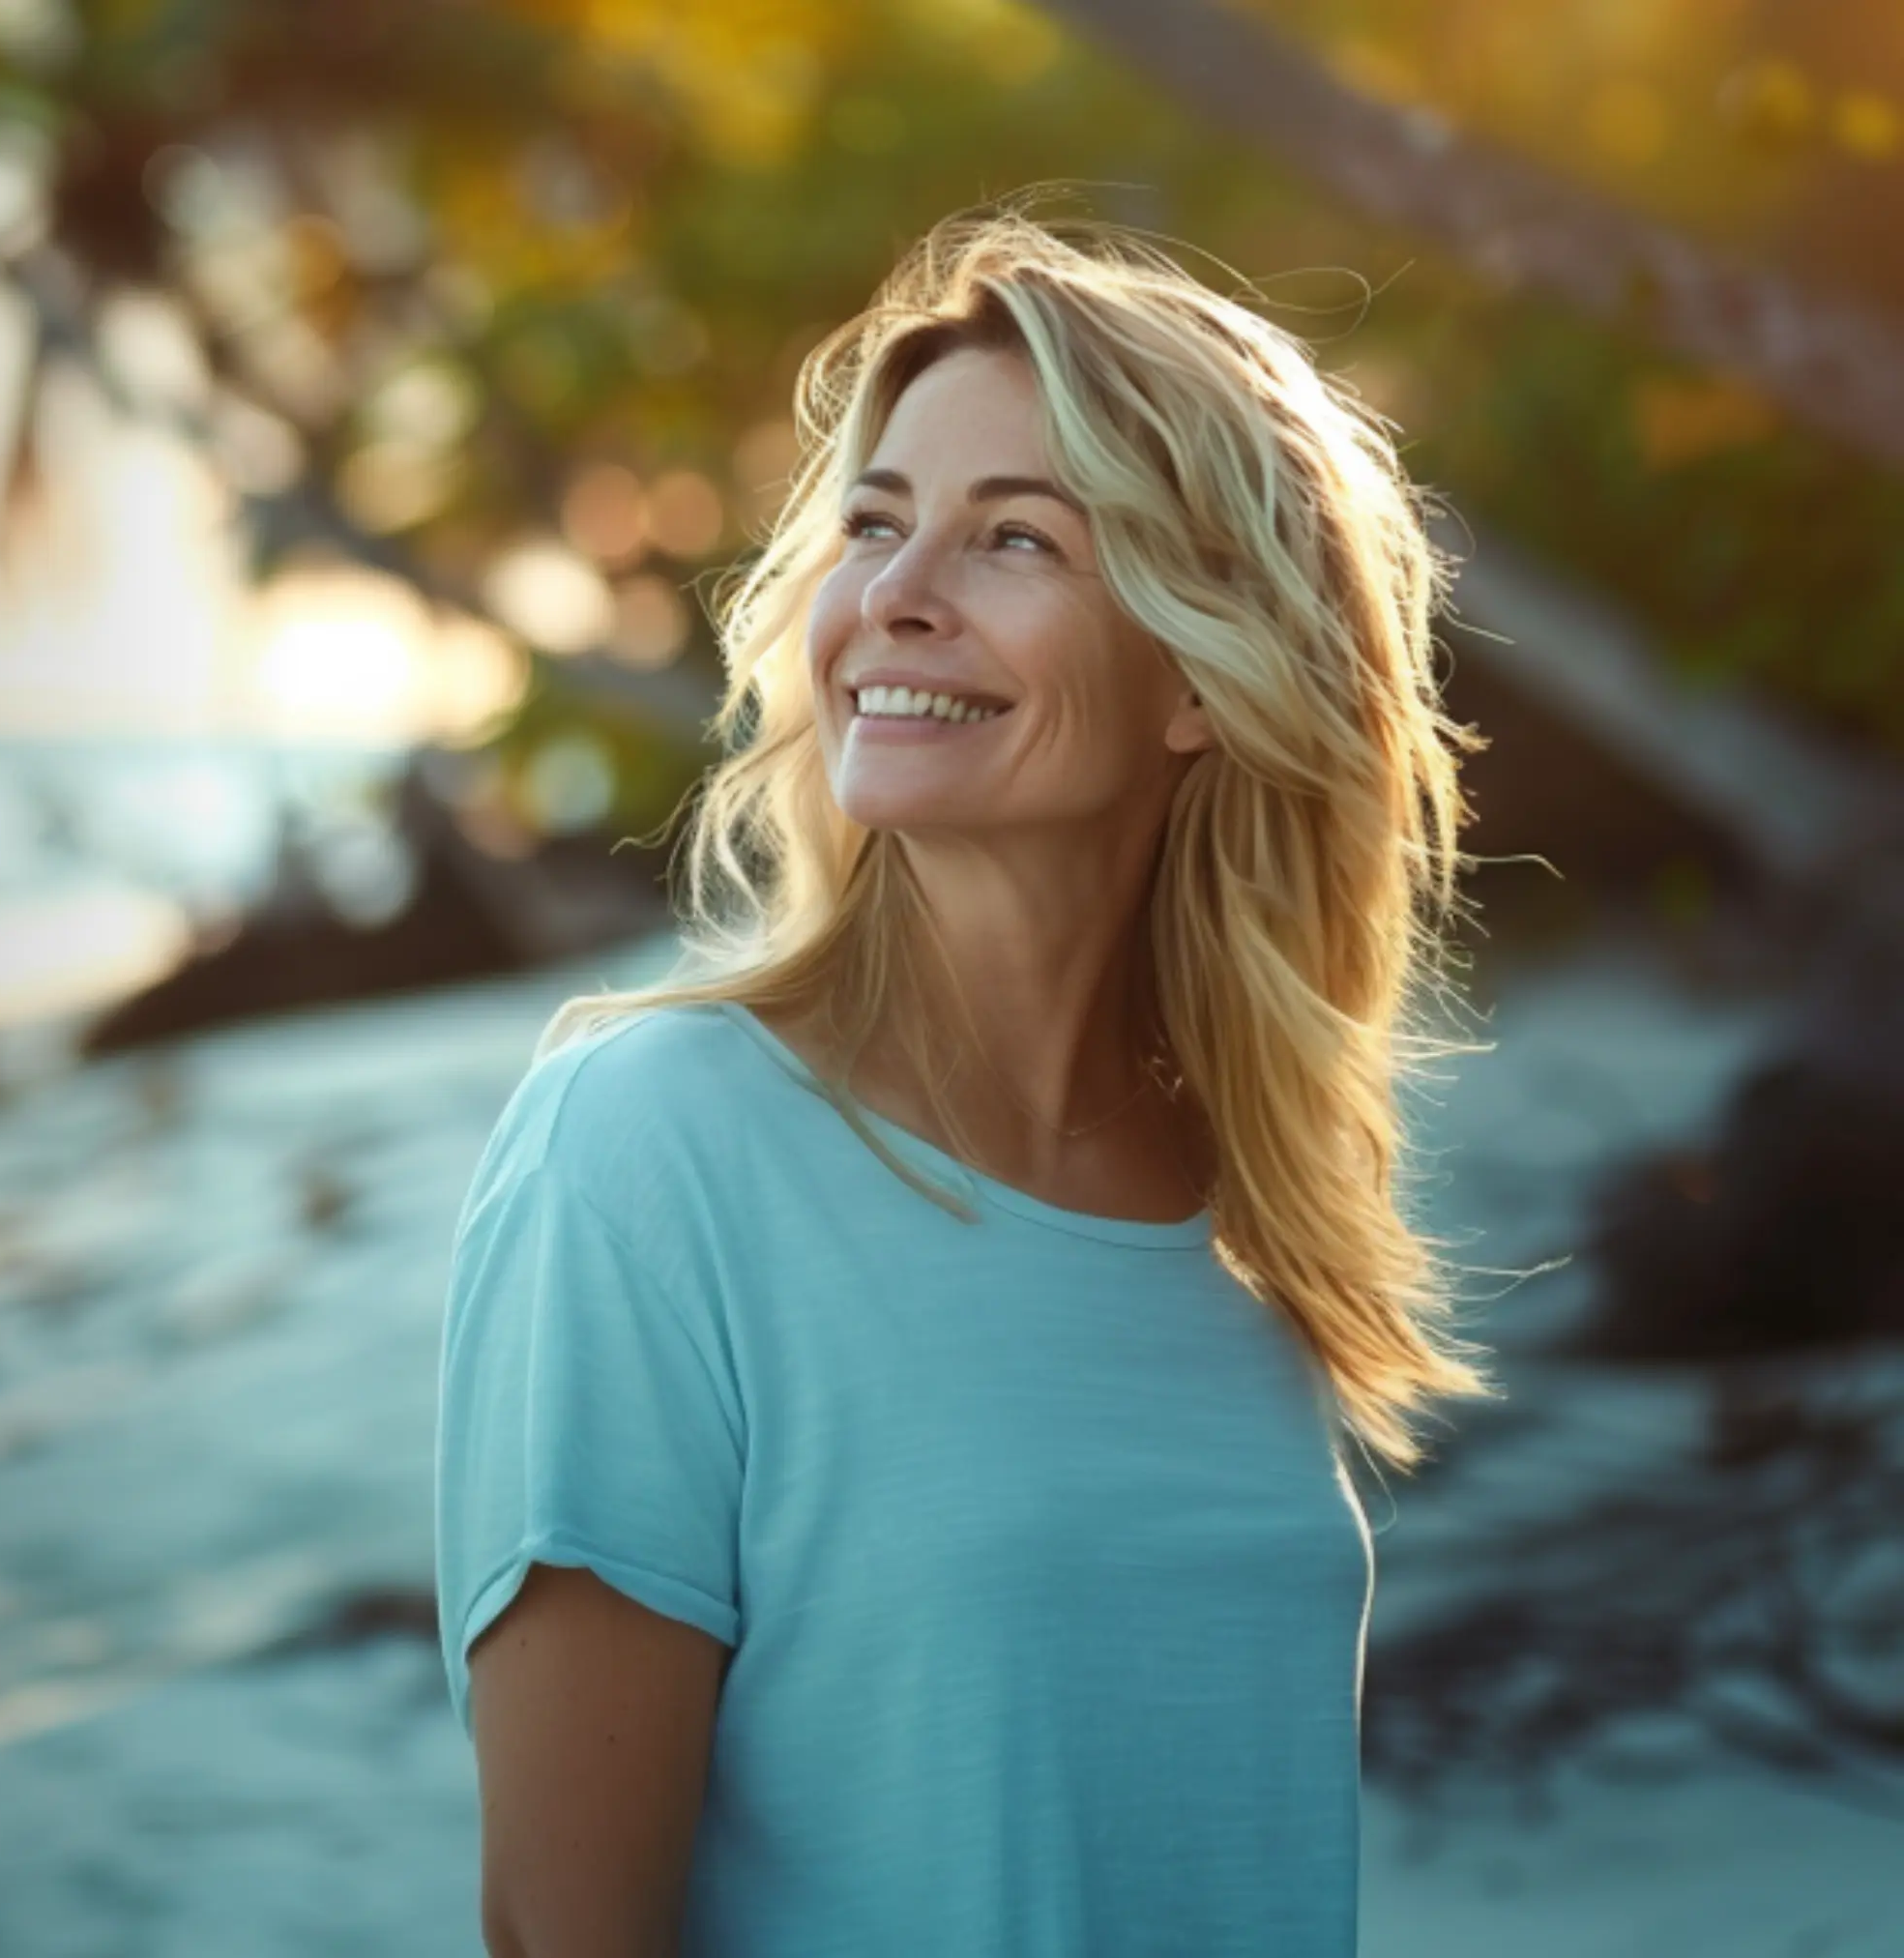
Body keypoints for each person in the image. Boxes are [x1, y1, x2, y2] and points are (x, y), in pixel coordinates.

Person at [433, 202, 1499, 1957]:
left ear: (1203, 673)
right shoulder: (651, 1149)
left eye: (1015, 540)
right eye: (874, 523)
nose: (897, 599)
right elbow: (567, 1932)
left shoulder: (1253, 1222)